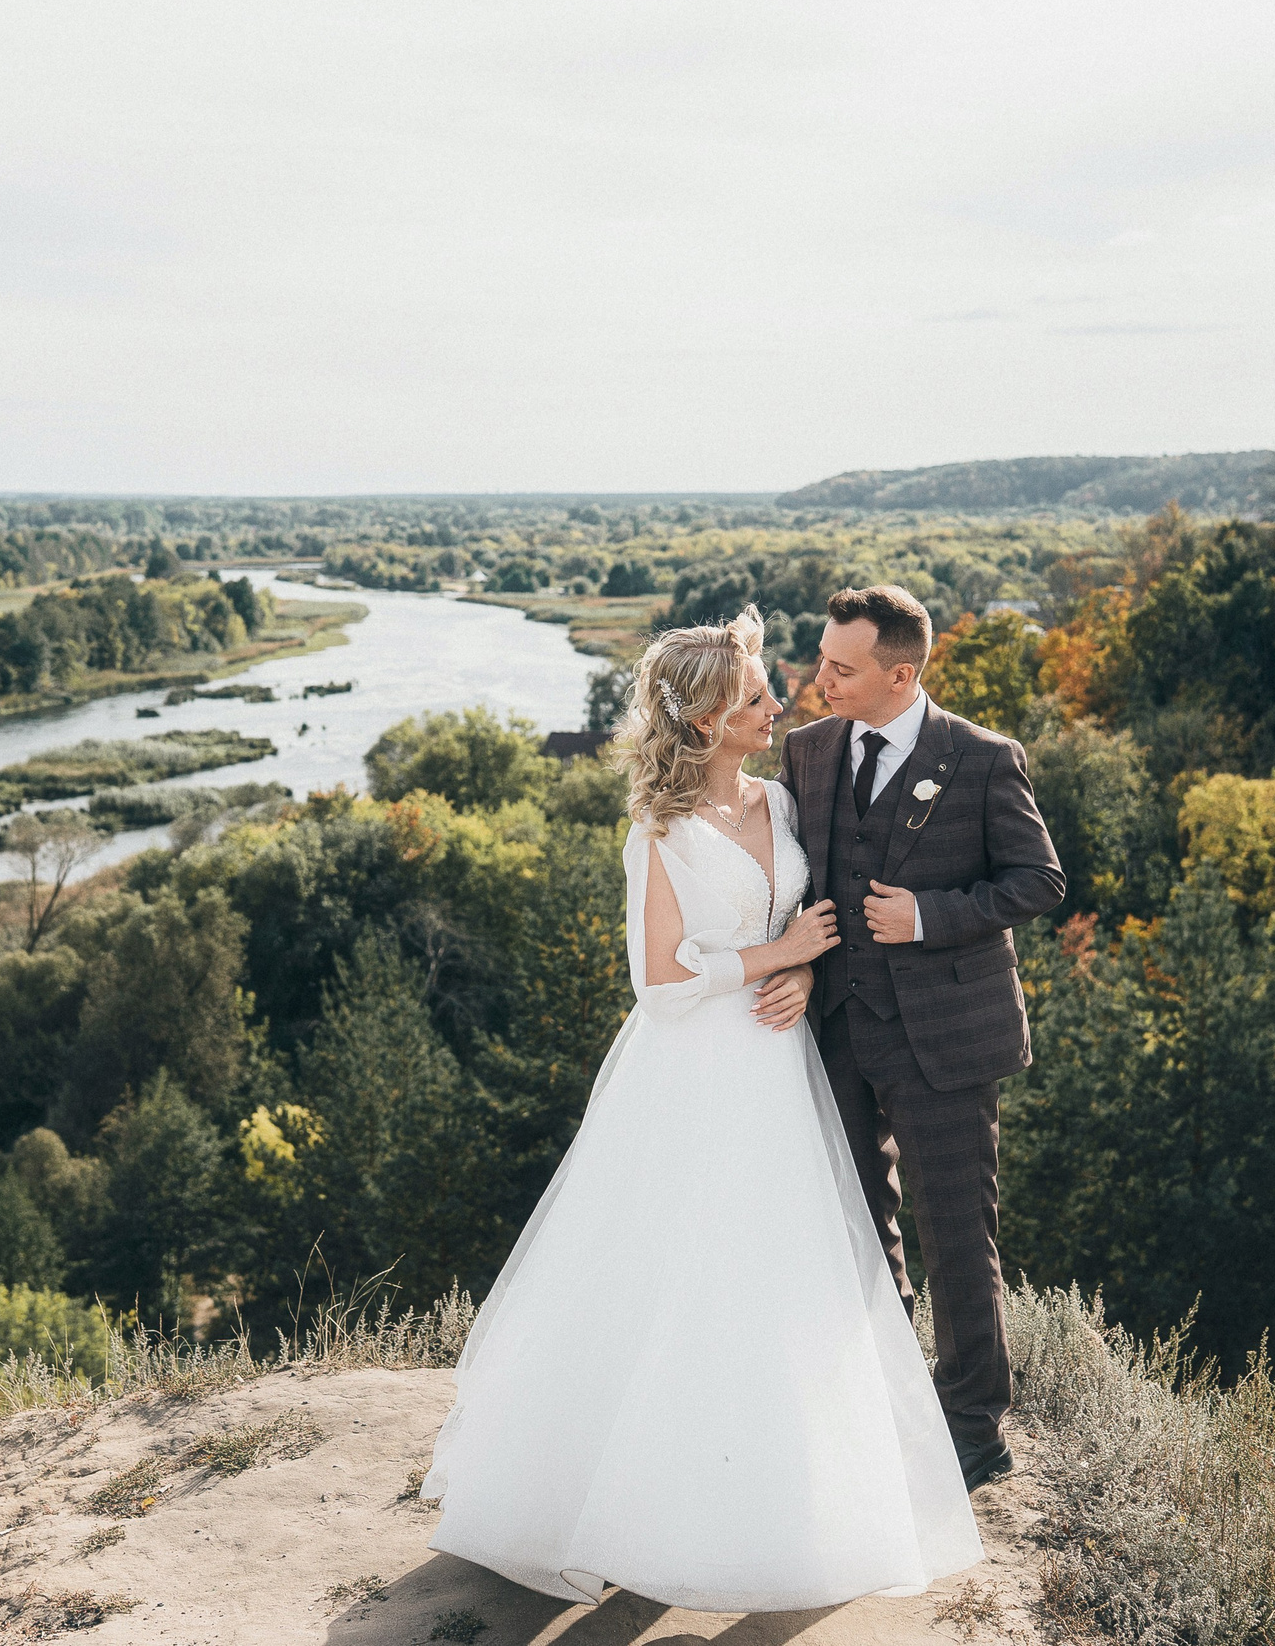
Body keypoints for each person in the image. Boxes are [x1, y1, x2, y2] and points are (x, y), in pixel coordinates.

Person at [420, 605, 983, 1612]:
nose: (778, 704)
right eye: (755, 697)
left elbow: (808, 921)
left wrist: (802, 974)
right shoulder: (661, 832)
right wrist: (780, 956)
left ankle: (771, 1497)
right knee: (671, 1272)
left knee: (776, 1276)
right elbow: (662, 983)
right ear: (704, 721)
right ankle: (625, 1505)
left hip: (779, 1066)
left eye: (766, 689)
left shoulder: (781, 799)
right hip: (692, 1071)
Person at [776, 585, 1066, 1492]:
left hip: (945, 1037)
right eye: (822, 659)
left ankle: (973, 1429)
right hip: (833, 1029)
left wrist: (929, 916)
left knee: (957, 1235)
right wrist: (791, 964)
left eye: (841, 667)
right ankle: (889, 1399)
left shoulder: (982, 758)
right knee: (858, 1227)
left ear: (900, 675)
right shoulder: (808, 750)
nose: (820, 678)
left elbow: (1039, 880)